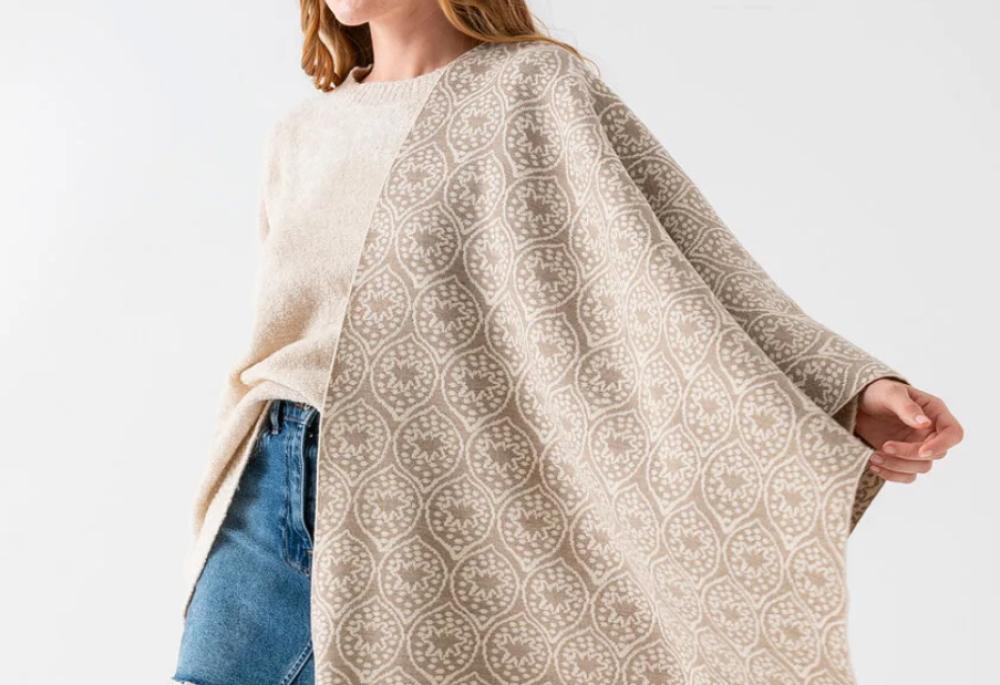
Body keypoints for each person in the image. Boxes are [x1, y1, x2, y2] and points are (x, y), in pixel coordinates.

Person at [172, 2, 965, 684]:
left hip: (429, 507)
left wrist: (840, 389)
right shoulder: (302, 133)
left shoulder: (532, 88)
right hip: (267, 489)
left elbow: (682, 264)